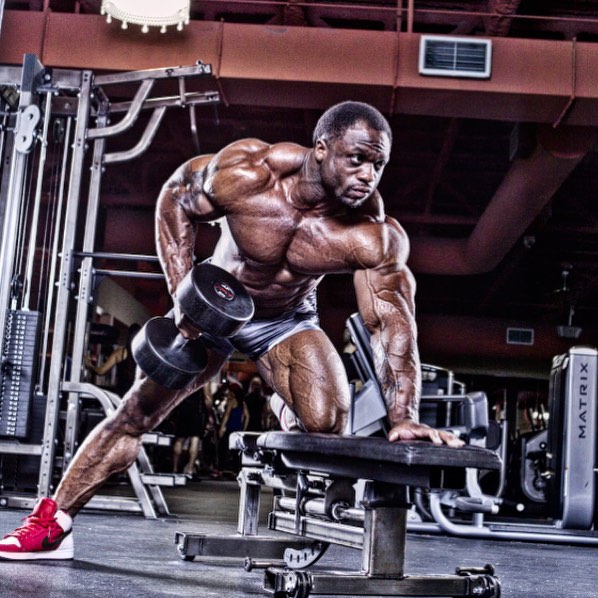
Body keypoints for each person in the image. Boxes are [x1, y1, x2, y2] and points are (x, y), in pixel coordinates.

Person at [0, 100, 462, 561]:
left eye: (378, 164)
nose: (368, 175)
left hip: (285, 321)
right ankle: (52, 525)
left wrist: (402, 414)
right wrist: (186, 293)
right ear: (321, 149)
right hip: (217, 306)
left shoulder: (372, 235)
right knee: (137, 413)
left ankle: (283, 398)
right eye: (357, 159)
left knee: (327, 424)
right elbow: (176, 196)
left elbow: (391, 324)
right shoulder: (250, 173)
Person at [85, 324, 141, 397]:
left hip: (121, 394)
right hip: (136, 396)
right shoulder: (143, 356)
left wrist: (90, 365)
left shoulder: (120, 353)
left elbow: (101, 371)